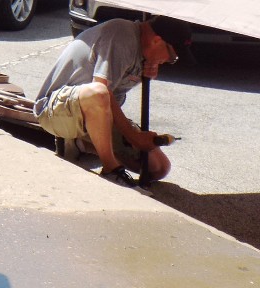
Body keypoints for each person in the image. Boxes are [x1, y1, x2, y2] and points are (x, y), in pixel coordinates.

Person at [32, 15, 192, 190]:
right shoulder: (122, 36)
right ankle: (111, 169)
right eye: (172, 57)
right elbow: (103, 91)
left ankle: (80, 143)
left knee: (159, 167)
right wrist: (133, 136)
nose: (168, 62)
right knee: (99, 93)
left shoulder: (143, 50)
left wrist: (147, 73)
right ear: (157, 41)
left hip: (95, 115)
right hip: (54, 110)